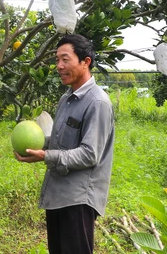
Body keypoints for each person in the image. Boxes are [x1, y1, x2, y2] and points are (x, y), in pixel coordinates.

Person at [15, 34, 115, 254]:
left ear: (85, 62)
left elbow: (90, 154)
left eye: (65, 59)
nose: (59, 66)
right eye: (57, 60)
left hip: (78, 199)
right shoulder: (66, 98)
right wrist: (37, 146)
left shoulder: (97, 102)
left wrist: (46, 156)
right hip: (59, 195)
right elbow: (60, 142)